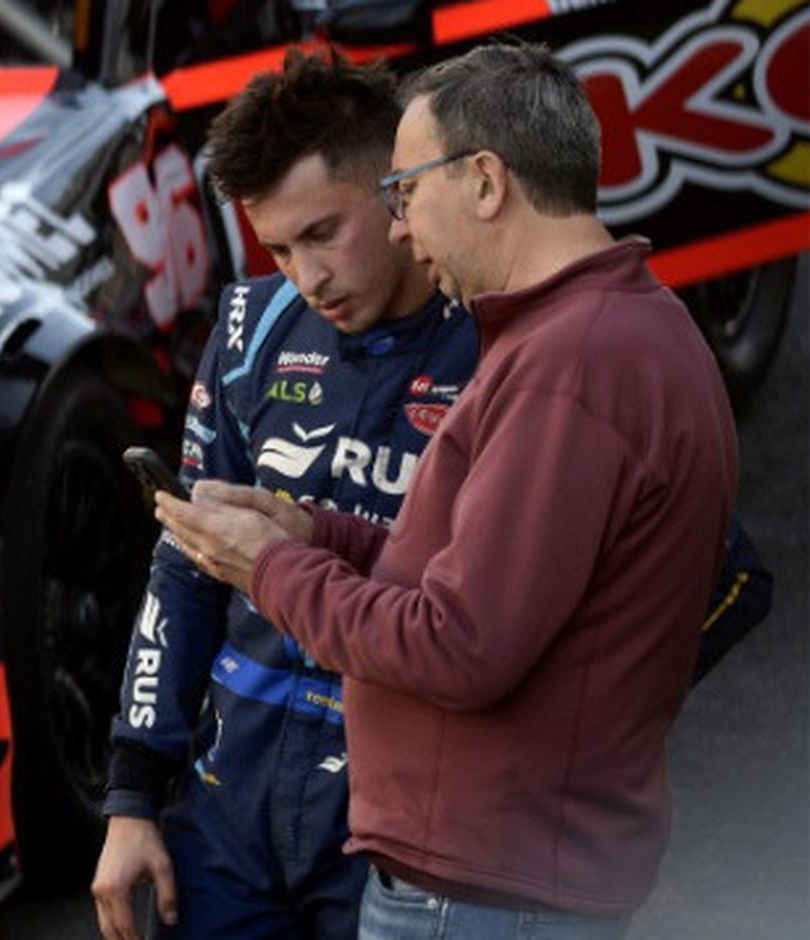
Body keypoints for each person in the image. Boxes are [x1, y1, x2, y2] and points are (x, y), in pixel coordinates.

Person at [155, 42, 740, 940]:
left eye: (405, 193)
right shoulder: (600, 334)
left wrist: (271, 568)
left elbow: (459, 643)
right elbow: (473, 575)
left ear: (485, 182)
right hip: (503, 878)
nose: (397, 227)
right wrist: (316, 530)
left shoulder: (569, 366)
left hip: (485, 893)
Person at [91, 49, 479, 940]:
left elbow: (666, 575)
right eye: (277, 246)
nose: (305, 275)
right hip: (234, 804)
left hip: (409, 814)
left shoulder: (505, 340)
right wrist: (132, 798)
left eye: (321, 234)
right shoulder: (250, 327)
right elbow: (185, 563)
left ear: (396, 194)